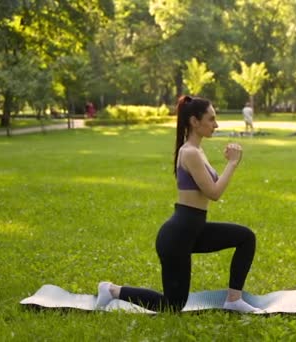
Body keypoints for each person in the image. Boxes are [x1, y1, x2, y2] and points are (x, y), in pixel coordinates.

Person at [95, 95, 260, 313]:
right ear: (194, 121)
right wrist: (232, 163)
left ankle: (234, 299)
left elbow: (210, 186)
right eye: (211, 119)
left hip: (194, 230)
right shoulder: (190, 153)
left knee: (245, 237)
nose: (216, 124)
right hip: (178, 237)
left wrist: (228, 163)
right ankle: (112, 290)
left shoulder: (197, 151)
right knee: (172, 306)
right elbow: (214, 192)